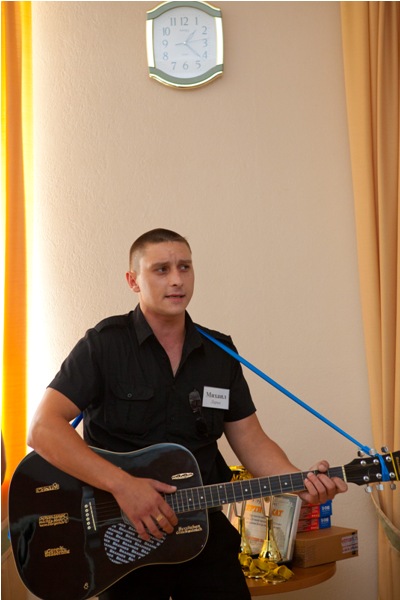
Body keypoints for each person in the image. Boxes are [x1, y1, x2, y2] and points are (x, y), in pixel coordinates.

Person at [28, 228, 348, 600]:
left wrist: (300, 483)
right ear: (133, 280)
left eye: (185, 267)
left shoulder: (219, 353)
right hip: (123, 541)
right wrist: (123, 486)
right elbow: (43, 429)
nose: (177, 279)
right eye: (161, 269)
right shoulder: (103, 345)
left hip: (204, 537)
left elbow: (253, 442)